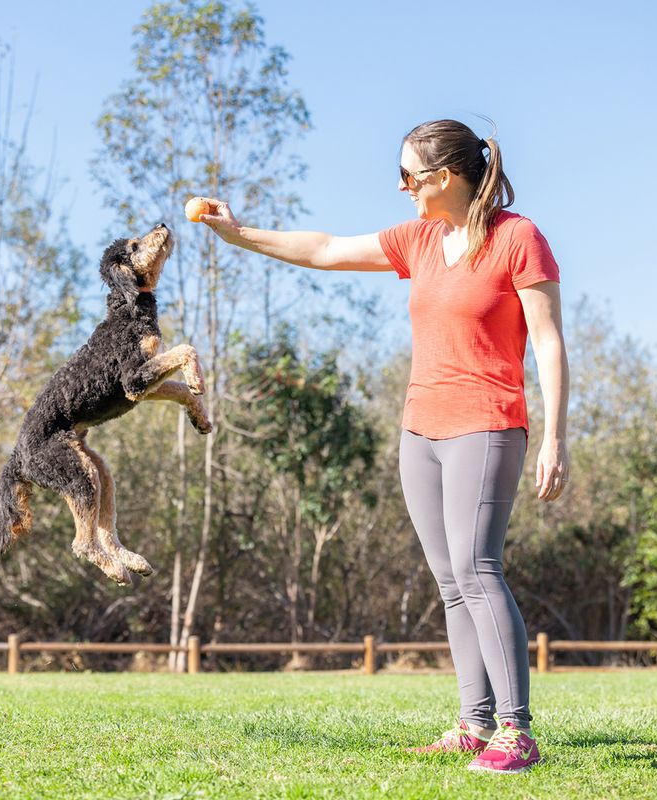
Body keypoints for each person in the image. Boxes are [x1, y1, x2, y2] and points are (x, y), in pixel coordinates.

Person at [197, 118, 569, 775]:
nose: (401, 188)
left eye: (408, 176)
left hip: (486, 424)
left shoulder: (518, 238)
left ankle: (518, 732)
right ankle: (474, 725)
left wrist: (557, 434)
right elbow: (324, 249)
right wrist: (238, 232)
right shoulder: (421, 240)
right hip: (419, 430)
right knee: (452, 584)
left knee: (479, 570)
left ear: (443, 178)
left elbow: (547, 339)